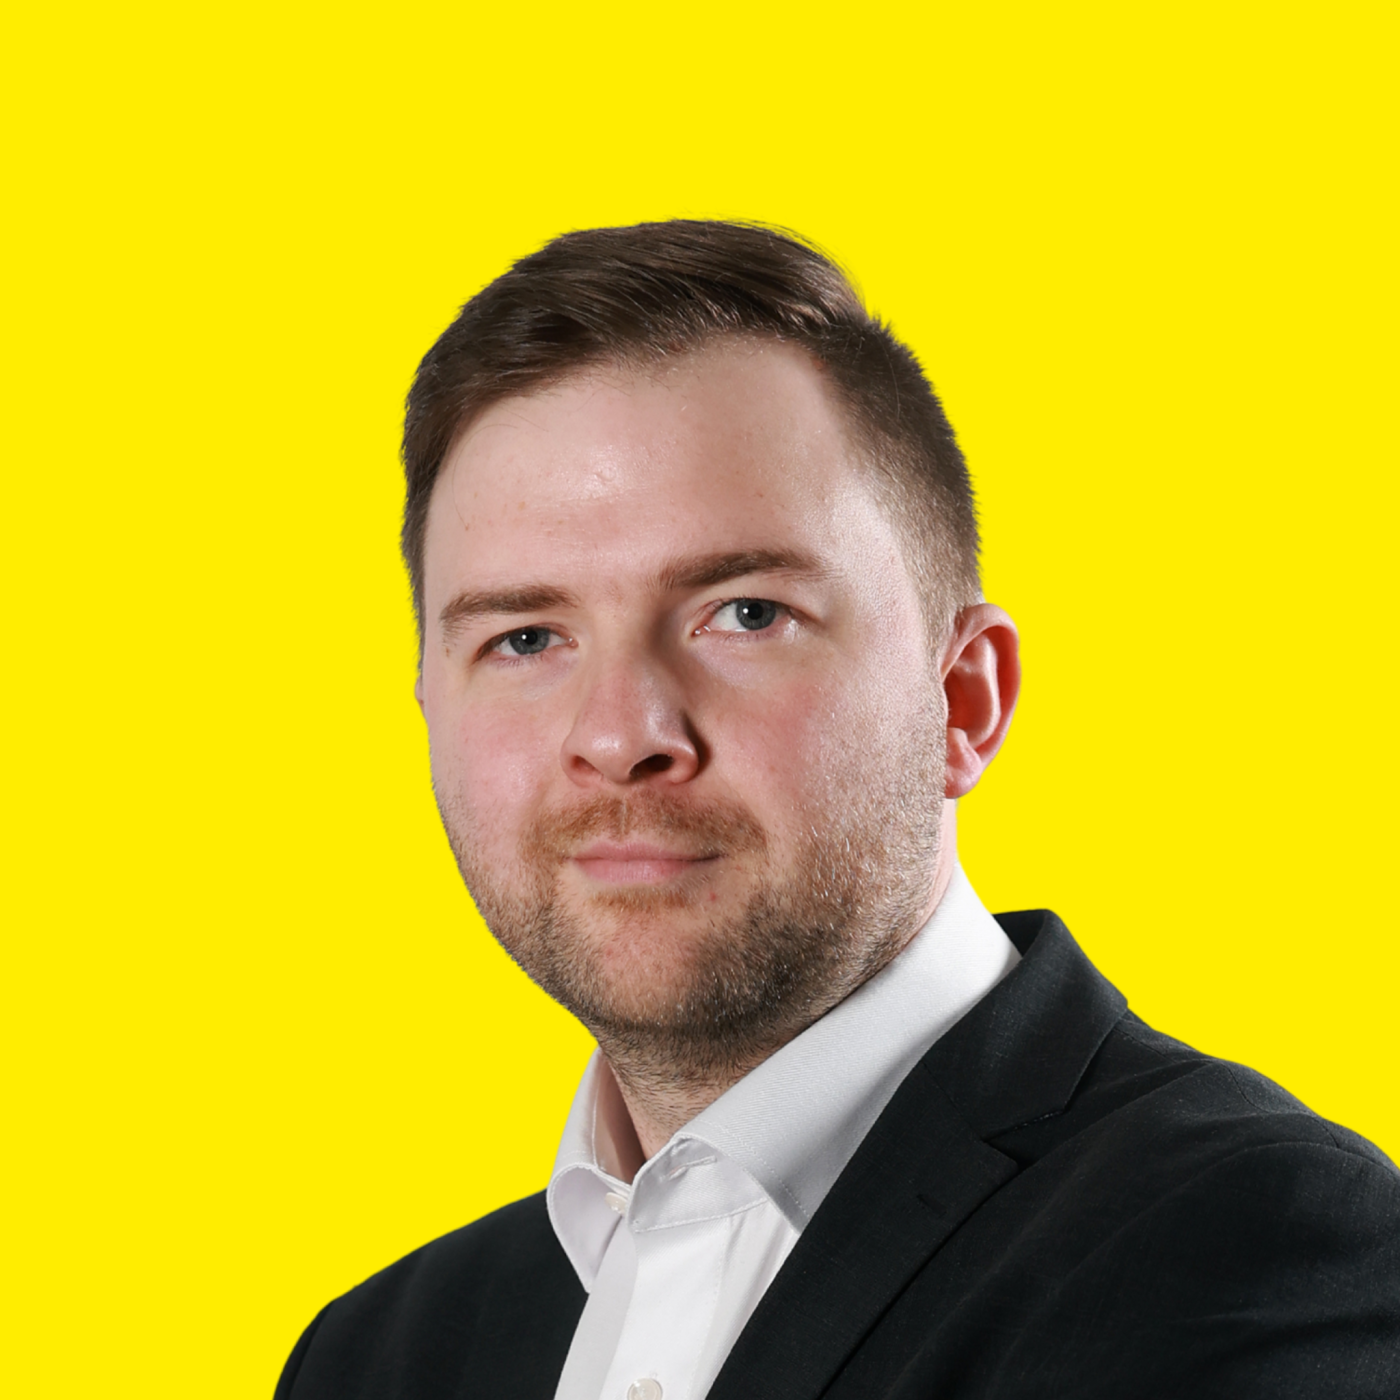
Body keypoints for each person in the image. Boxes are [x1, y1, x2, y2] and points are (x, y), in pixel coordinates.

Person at [275, 221, 1400, 1399]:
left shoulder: (1252, 1245)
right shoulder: (377, 1356)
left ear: (962, 697)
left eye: (746, 613)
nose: (618, 734)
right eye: (523, 637)